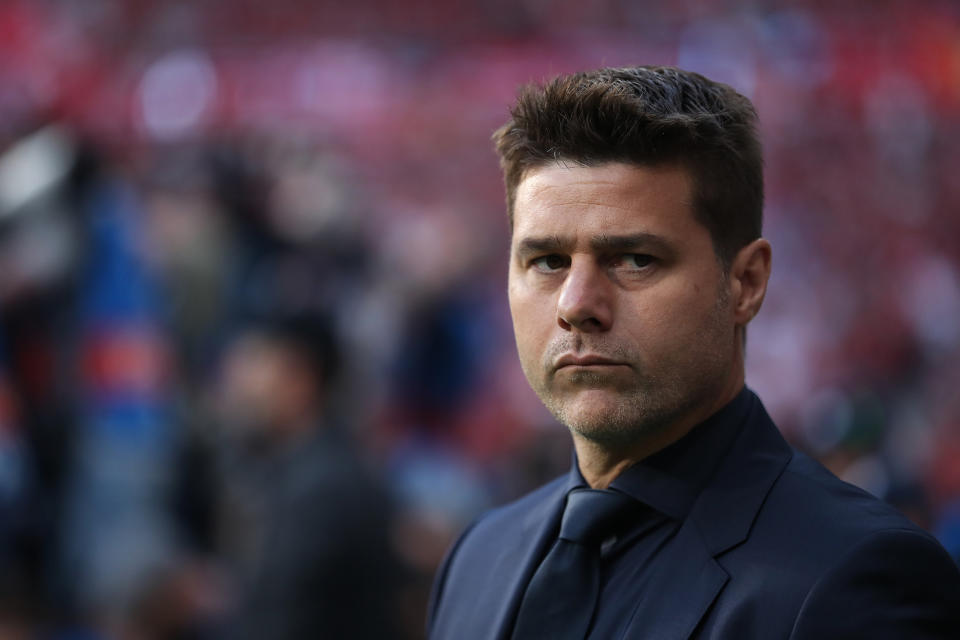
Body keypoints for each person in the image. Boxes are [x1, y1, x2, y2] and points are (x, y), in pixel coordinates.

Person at [426, 66, 960, 639]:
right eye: (548, 262)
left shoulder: (858, 577)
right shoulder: (476, 559)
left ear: (746, 282)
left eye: (635, 259)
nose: (577, 304)